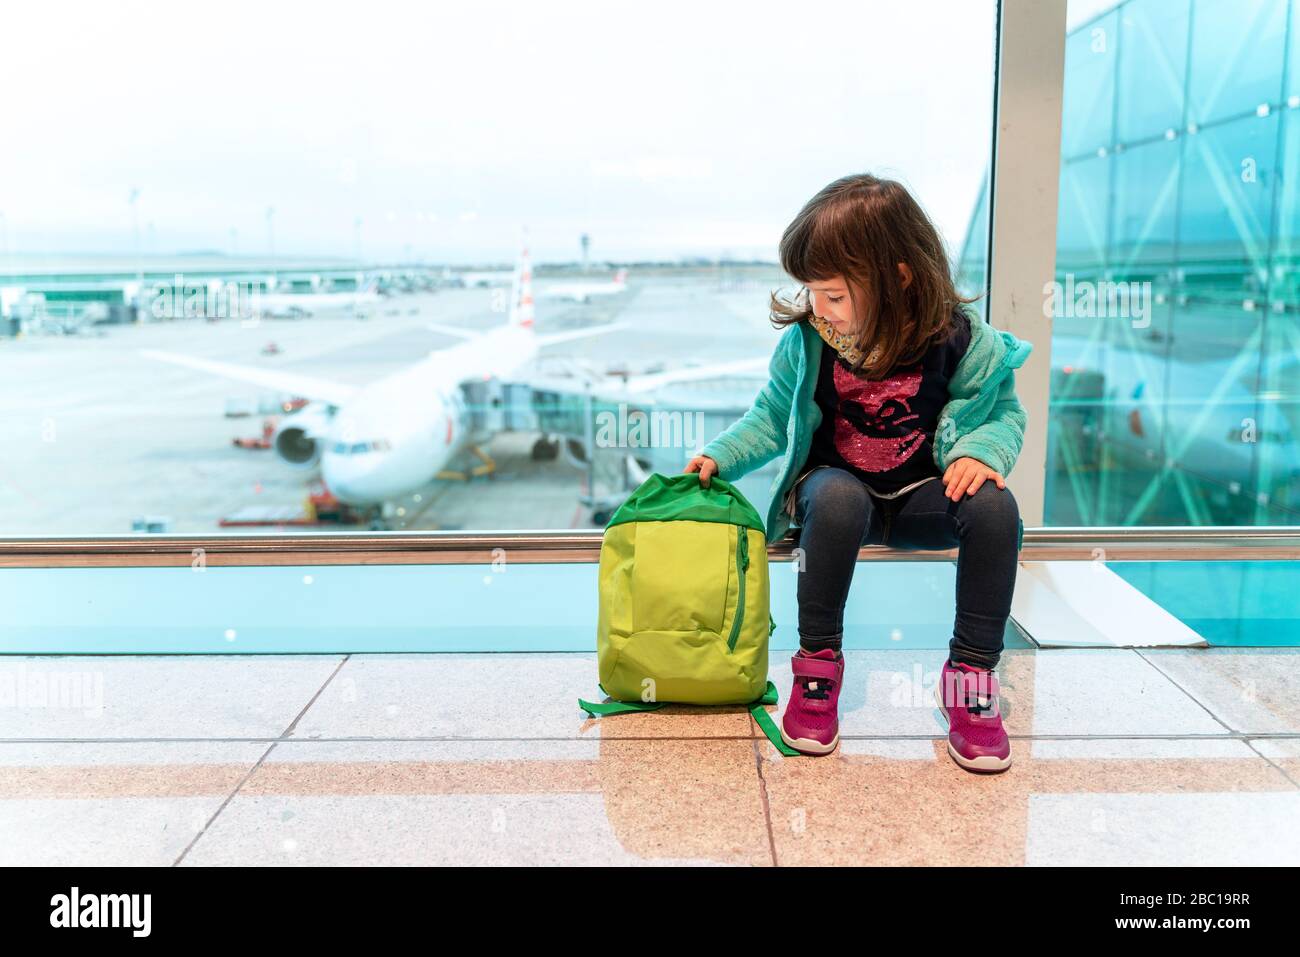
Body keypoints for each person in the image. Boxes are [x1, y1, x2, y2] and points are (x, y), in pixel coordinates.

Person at [685, 173, 1031, 772]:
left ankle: (969, 678)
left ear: (898, 278)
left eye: (836, 295)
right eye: (813, 292)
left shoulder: (958, 341)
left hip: (925, 493)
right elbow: (770, 416)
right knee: (840, 499)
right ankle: (817, 671)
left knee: (997, 508)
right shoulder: (810, 342)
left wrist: (981, 454)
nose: (821, 309)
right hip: (839, 495)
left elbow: (1003, 415)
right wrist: (720, 455)